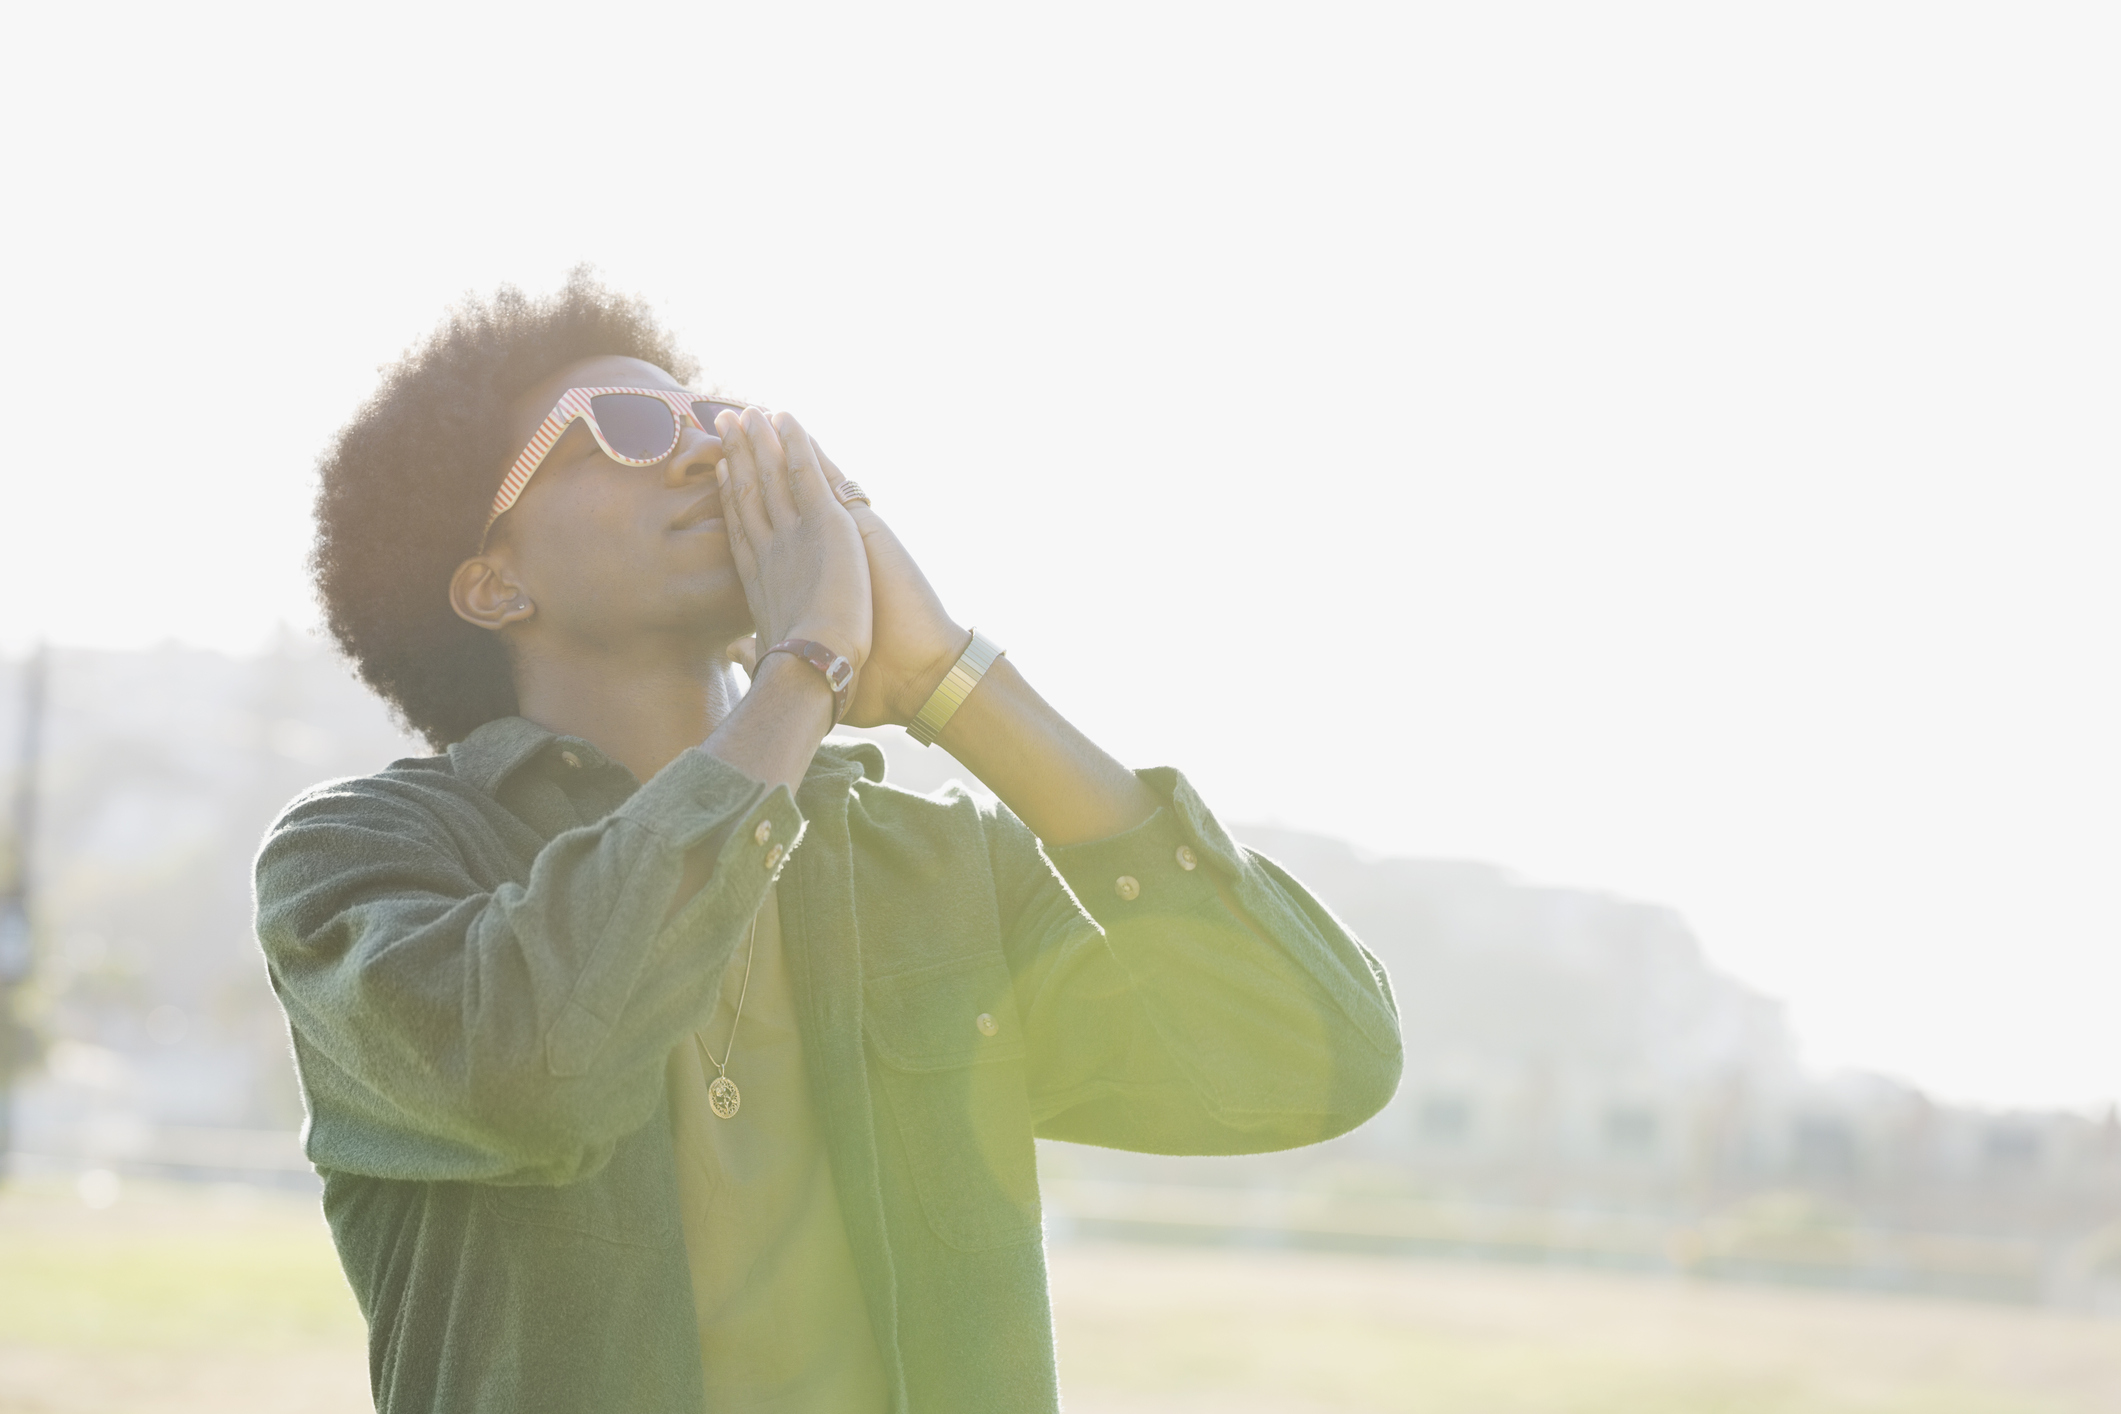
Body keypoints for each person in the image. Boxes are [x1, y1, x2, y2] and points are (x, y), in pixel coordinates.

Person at [256, 271, 1403, 1414]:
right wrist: (811, 661)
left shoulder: (939, 872)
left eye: (717, 420)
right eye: (630, 427)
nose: (708, 451)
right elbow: (533, 1068)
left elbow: (1314, 1061)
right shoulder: (362, 857)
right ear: (495, 584)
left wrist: (946, 678)